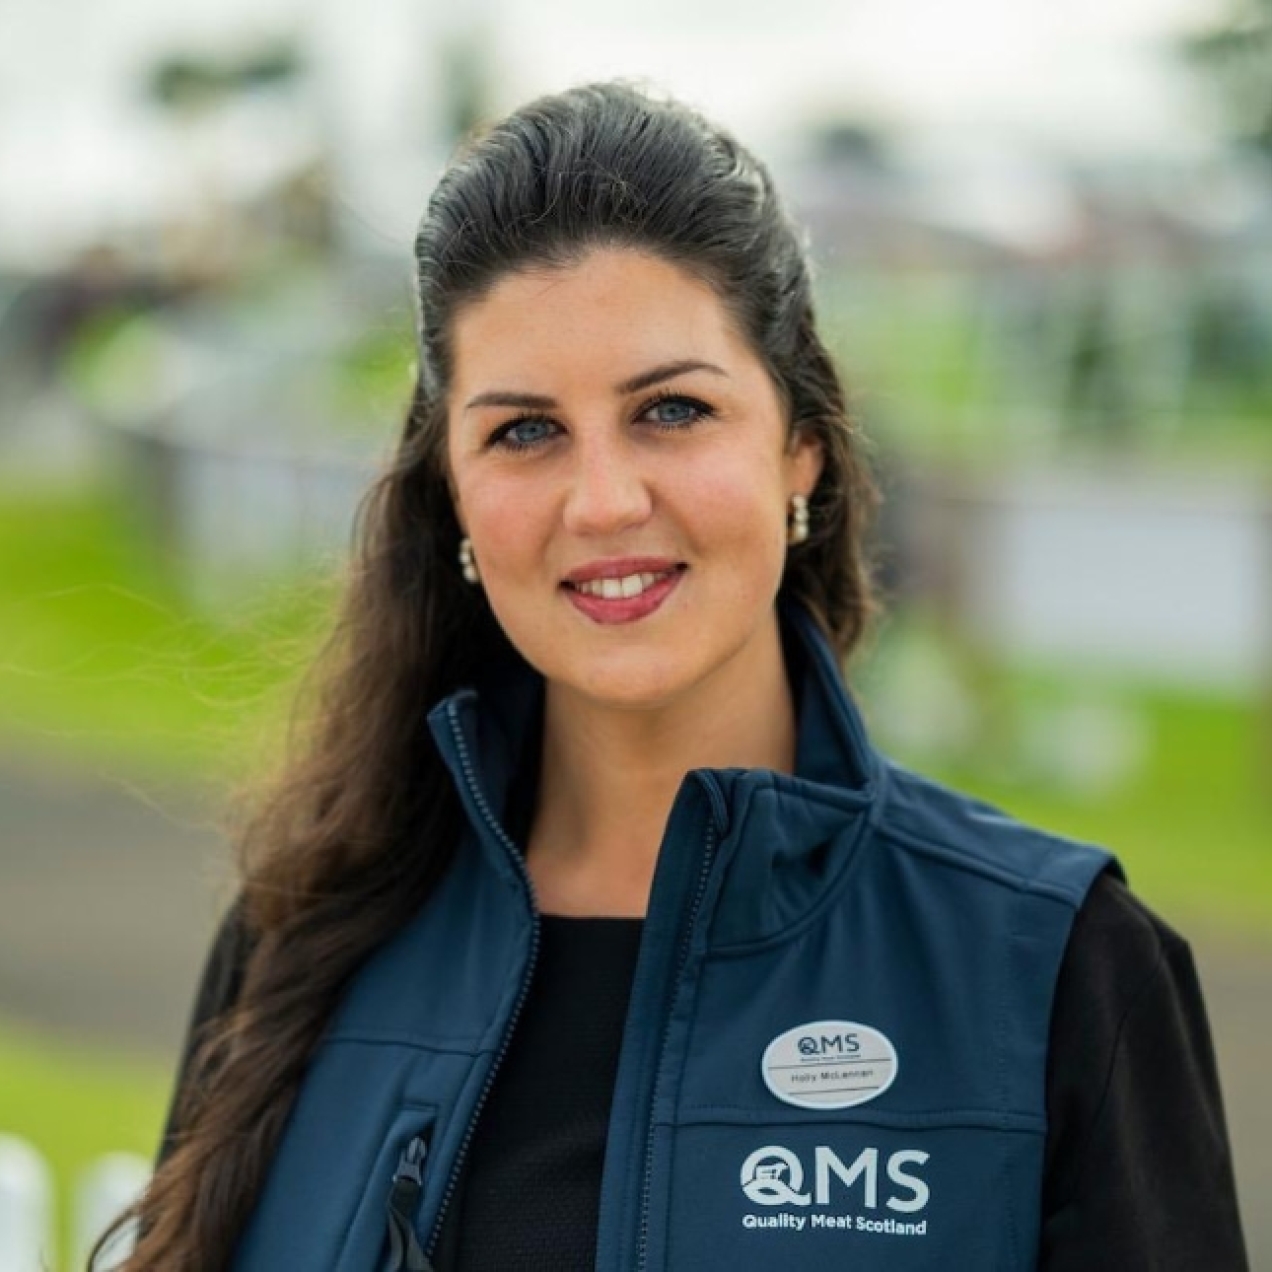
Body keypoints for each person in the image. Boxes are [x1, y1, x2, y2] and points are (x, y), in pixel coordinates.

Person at [101, 81, 1248, 1271]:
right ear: (453, 493)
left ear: (799, 445)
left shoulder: (1054, 965)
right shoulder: (303, 943)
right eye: (526, 432)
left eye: (671, 410)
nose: (603, 501)